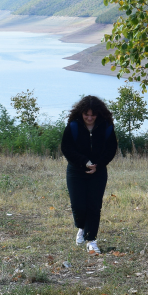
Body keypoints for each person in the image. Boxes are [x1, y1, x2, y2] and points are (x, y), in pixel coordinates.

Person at [60, 96, 118, 255]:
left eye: (93, 115)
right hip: (76, 171)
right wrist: (84, 162)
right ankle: (82, 227)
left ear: (99, 114)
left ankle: (91, 240)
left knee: (94, 205)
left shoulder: (106, 127)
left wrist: (98, 165)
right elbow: (66, 148)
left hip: (98, 172)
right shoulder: (73, 126)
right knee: (78, 206)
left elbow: (111, 149)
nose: (90, 118)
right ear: (81, 113)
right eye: (87, 114)